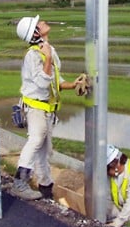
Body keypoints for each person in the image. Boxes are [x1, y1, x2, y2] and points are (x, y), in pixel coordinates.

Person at [11, 15, 89, 200]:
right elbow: (42, 82)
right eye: (39, 23)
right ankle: (20, 181)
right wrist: (46, 58)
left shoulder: (48, 50)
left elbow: (55, 80)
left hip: (47, 109)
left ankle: (45, 187)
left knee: (45, 150)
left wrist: (72, 84)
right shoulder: (33, 55)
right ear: (35, 32)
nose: (43, 22)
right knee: (36, 139)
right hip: (36, 107)